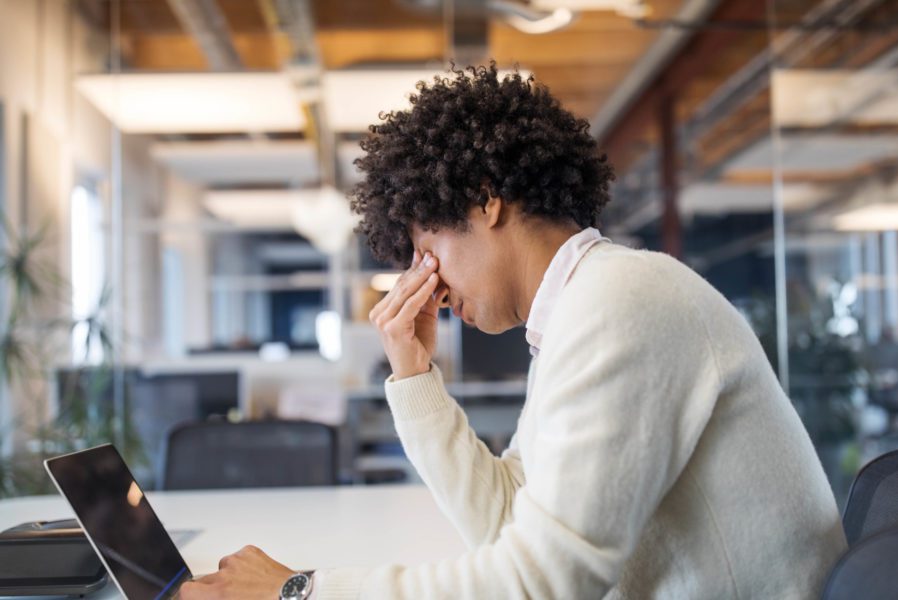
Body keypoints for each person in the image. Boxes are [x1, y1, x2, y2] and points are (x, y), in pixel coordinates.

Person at [180, 63, 846, 600]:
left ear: (484, 199)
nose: (427, 281)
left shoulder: (622, 302)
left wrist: (298, 593)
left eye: (425, 245)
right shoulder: (582, 309)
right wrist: (416, 378)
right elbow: (507, 528)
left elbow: (540, 586)